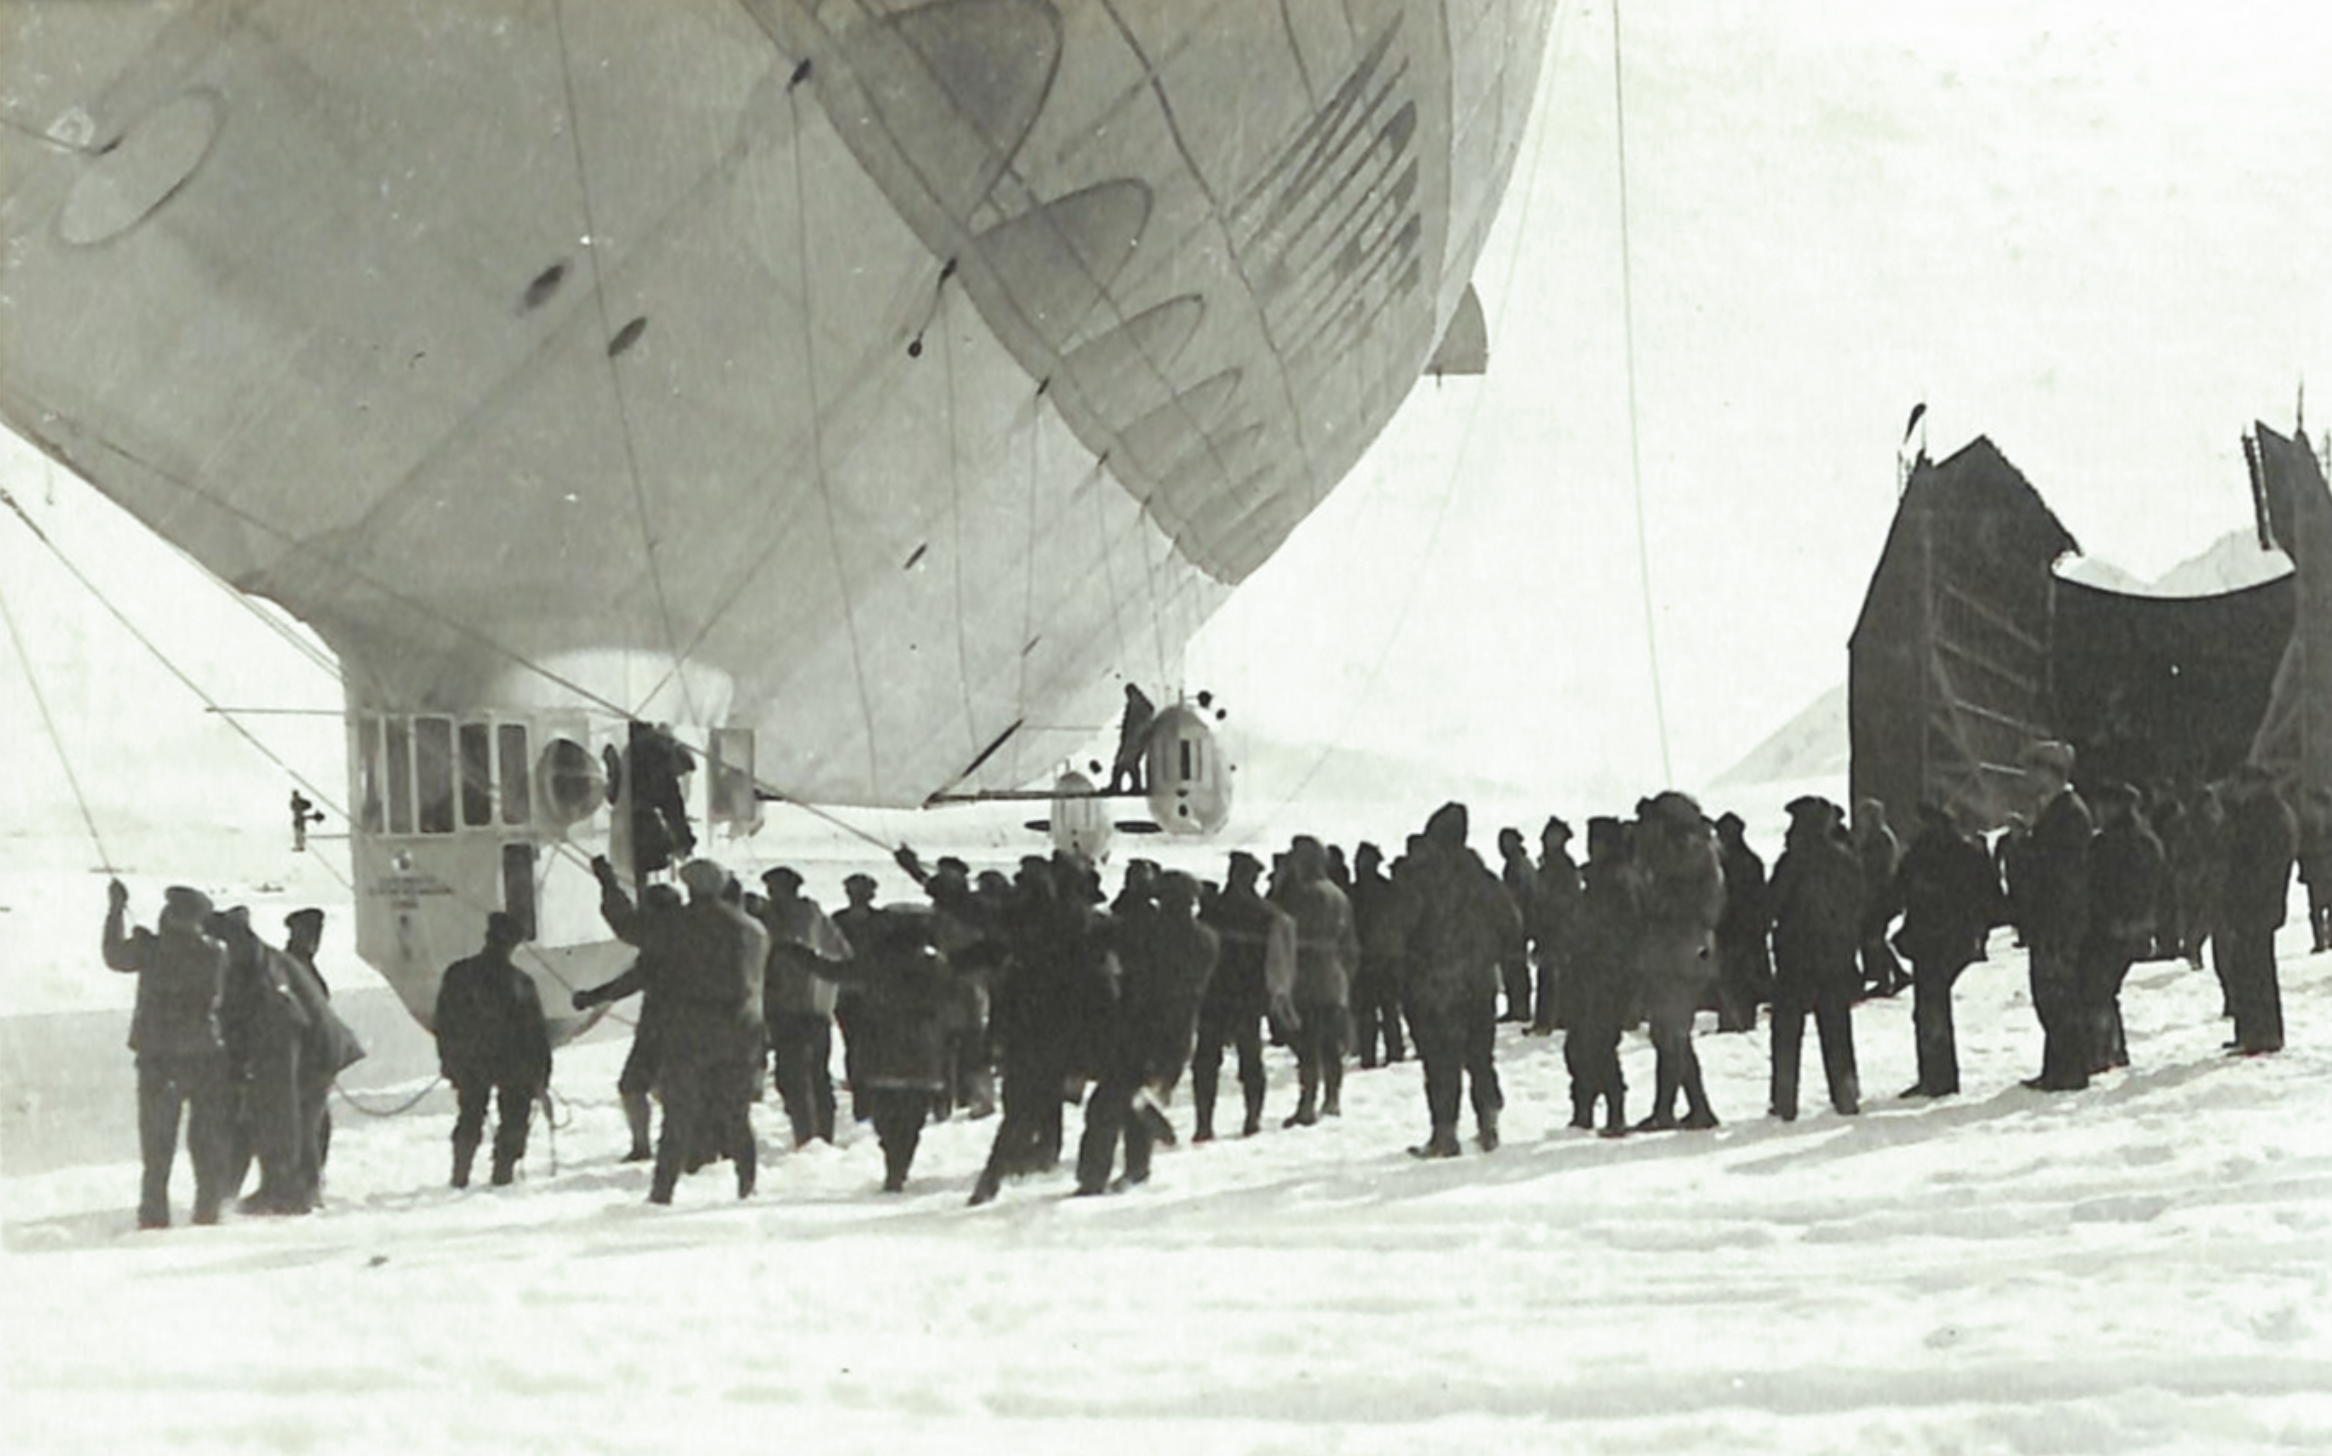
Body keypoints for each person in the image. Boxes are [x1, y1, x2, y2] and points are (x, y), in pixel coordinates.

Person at [1385, 804, 1517, 1157]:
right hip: (1480, 983)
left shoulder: (1420, 877)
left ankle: (1444, 1135)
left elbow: (1395, 929)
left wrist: (1399, 967)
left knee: (1440, 1061)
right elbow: (1513, 922)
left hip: (1436, 985)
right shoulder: (1484, 877)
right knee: (1480, 1056)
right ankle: (1489, 1126)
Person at [1074, 872, 1219, 1195]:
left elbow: (1105, 938)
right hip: (1179, 1031)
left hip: (1137, 1025)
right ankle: (1138, 1166)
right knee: (1138, 1098)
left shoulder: (1143, 932)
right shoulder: (1206, 940)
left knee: (1105, 1103)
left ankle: (1092, 1176)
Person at [103, 881, 233, 1229]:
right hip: (205, 1057)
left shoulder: (151, 951)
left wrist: (116, 909)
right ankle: (207, 1211)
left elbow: (113, 955)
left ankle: (154, 1214)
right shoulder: (215, 953)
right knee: (206, 1142)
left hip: (158, 1059)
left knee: (157, 1144)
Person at [800, 913, 957, 1192]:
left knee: (886, 1115)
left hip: (880, 1050)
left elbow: (832, 971)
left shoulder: (876, 964)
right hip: (923, 1050)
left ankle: (892, 1162)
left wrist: (800, 955)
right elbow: (954, 1001)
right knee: (912, 1118)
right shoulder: (938, 967)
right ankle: (900, 1165)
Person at [431, 912, 552, 1189]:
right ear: (513, 944)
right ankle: (503, 1173)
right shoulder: (520, 983)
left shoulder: (458, 973)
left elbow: (443, 1022)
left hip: (471, 1059)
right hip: (511, 1063)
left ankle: (460, 1175)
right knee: (514, 1115)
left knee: (470, 1114)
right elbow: (536, 1036)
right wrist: (541, 1076)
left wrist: (448, 1059)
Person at [1887, 802, 1998, 1098]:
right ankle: (1940, 1076)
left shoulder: (1921, 854)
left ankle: (1936, 1077)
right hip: (1958, 939)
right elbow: (1991, 895)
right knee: (1933, 1005)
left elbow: (1896, 893)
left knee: (1930, 1008)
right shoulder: (1968, 851)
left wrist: (1873, 924)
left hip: (1930, 940)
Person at [1631, 793, 1726, 1131]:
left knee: (1670, 1032)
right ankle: (1691, 1107)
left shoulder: (1686, 857)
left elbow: (1662, 900)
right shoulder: (1698, 852)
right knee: (1671, 1033)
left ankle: (1670, 1109)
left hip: (1678, 952)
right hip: (1682, 951)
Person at [1765, 797, 1863, 1119]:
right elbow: (1859, 904)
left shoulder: (1793, 861)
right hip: (1836, 956)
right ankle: (1845, 1093)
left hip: (1797, 956)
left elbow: (1772, 904)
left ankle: (1784, 1100)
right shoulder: (1845, 859)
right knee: (1837, 1029)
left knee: (1787, 1031)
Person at [213, 907, 315, 1215]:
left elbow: (246, 1015)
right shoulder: (256, 959)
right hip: (283, 1046)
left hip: (292, 1047)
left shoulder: (258, 967)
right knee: (267, 1117)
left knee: (282, 1119)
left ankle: (287, 1193)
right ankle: (258, 1189)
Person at [575, 879, 684, 1160]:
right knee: (674, 1086)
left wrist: (593, 997)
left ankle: (643, 1146)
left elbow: (632, 977)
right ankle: (691, 1142)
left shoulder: (661, 940)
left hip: (659, 1026)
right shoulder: (694, 935)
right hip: (695, 1024)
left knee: (633, 1085)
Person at [1191, 851, 1295, 1141]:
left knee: (1207, 1062)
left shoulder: (1212, 911)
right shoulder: (1267, 914)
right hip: (1248, 997)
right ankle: (1252, 1119)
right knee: (1250, 1060)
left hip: (1215, 995)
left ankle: (1204, 1124)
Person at [2013, 740, 2094, 1092]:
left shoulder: (2068, 814)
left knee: (2057, 994)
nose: (2027, 777)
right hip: (2053, 917)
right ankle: (2058, 1067)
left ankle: (2069, 1069)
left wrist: (2024, 845)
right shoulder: (2057, 811)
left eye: (2033, 769)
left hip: (2059, 918)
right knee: (2050, 994)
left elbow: (2057, 868)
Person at [756, 866, 851, 1149]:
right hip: (818, 1006)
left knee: (792, 1075)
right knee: (816, 1074)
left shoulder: (773, 918)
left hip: (785, 1007)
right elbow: (843, 953)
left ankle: (807, 1136)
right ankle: (822, 1134)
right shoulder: (816, 917)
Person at [2083, 783, 2165, 1074]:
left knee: (2096, 990)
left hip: (2108, 928)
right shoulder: (2148, 841)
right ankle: (2115, 1049)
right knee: (2106, 990)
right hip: (2139, 928)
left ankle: (2102, 1051)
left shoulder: (2107, 844)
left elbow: (2096, 888)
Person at [280, 908, 363, 1198]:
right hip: (304, 1060)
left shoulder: (300, 965)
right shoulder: (291, 967)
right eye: (311, 935)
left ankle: (308, 1182)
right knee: (307, 1126)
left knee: (313, 1125)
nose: (315, 941)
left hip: (312, 1058)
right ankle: (306, 1185)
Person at [1276, 836, 1359, 1127]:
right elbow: (1351, 944)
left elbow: (1287, 935)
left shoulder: (1301, 896)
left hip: (1307, 977)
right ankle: (1332, 1098)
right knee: (1331, 1045)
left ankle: (1307, 1102)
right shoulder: (1338, 895)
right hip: (1334, 976)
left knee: (1308, 1044)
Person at [1563, 817, 1638, 1136]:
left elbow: (1614, 933)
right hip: (1590, 975)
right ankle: (1585, 1109)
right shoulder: (1601, 881)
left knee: (1598, 1045)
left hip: (1606, 977)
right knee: (1581, 1045)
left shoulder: (1615, 884)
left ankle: (1612, 1111)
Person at [2217, 766, 2296, 1057]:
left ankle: (2258, 1032)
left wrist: (2241, 898)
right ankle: (2256, 1031)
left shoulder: (2262, 817)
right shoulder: (2273, 813)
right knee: (2253, 967)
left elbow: (2252, 864)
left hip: (2254, 905)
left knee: (2252, 970)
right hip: (2261, 905)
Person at [1346, 842, 1409, 1067]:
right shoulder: (1390, 890)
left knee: (1369, 1012)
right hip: (1386, 958)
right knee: (1387, 1010)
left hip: (1367, 960)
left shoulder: (1353, 894)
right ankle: (1393, 1051)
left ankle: (1370, 1055)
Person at [1711, 812, 1771, 1033]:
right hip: (1746, 930)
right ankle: (1739, 1019)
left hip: (1734, 930)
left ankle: (1734, 1022)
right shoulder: (1751, 861)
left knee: (1734, 978)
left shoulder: (1728, 864)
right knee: (1742, 979)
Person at [1528, 816, 1583, 1037]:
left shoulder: (1563, 866)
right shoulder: (1549, 864)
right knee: (1547, 973)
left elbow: (1567, 898)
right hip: (1548, 925)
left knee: (1554, 973)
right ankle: (1548, 1018)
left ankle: (1552, 1019)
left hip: (1559, 925)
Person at [1853, 798, 1906, 996]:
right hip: (1874, 894)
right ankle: (1895, 973)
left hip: (1880, 896)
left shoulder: (1881, 839)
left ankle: (1886, 979)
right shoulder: (1873, 838)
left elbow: (1877, 869)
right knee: (1874, 937)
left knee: (1874, 937)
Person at [1496, 827, 1537, 1024]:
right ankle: (1518, 1006)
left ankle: (1519, 1008)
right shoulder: (1519, 864)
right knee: (1514, 966)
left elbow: (1519, 896)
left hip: (1518, 923)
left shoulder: (1517, 866)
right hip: (1519, 921)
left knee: (1515, 966)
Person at [2297, 788, 2332, 954]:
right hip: (2320, 870)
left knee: (2317, 908)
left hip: (2319, 870)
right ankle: (2324, 939)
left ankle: (2321, 940)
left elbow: (2303, 849)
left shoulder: (2310, 825)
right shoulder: (2310, 826)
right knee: (2321, 907)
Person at [1108, 683, 1156, 794]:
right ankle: (1134, 786)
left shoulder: (1139, 707)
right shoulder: (1140, 706)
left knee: (1122, 764)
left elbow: (1135, 724)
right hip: (1133, 741)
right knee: (1130, 765)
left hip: (1133, 741)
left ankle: (1118, 786)